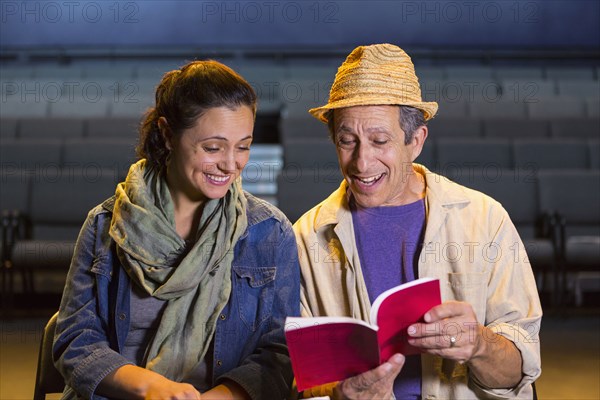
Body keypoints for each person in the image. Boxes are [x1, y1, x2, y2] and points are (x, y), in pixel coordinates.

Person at [294, 44, 542, 399]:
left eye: (380, 141)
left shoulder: (486, 220)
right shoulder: (306, 237)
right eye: (347, 141)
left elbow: (520, 368)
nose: (362, 163)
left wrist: (480, 344)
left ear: (416, 141)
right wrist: (339, 394)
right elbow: (299, 379)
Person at [53, 60, 300, 400]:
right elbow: (75, 339)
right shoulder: (104, 225)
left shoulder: (270, 231)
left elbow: (280, 351)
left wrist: (217, 398)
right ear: (168, 134)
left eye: (243, 146)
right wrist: (154, 389)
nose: (231, 163)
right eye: (213, 148)